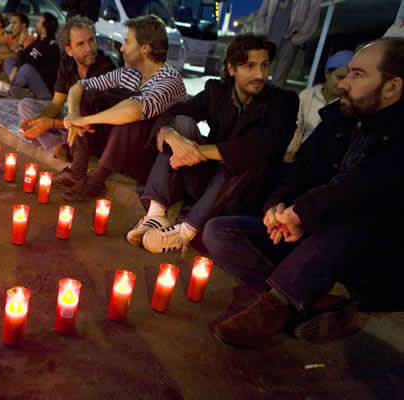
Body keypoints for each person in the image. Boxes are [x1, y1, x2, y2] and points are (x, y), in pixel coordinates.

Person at [203, 38, 404, 347]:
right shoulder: (344, 116)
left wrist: (301, 213)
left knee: (352, 216)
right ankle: (302, 303)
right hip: (310, 226)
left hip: (369, 252)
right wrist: (277, 206)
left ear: (391, 87)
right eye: (347, 73)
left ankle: (276, 306)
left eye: (358, 75)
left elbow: (364, 186)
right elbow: (301, 168)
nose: (343, 84)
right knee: (219, 230)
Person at [126, 34, 298, 254]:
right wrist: (170, 134)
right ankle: (155, 216)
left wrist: (195, 151)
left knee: (240, 160)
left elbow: (257, 148)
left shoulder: (283, 102)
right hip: (207, 184)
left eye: (265, 65)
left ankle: (185, 232)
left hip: (243, 192)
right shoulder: (217, 91)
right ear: (232, 68)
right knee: (181, 124)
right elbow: (175, 112)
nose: (260, 74)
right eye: (250, 66)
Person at [57, 15, 188, 202]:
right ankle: (78, 169)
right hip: (119, 150)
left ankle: (97, 180)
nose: (122, 48)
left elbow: (134, 111)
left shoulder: (169, 81)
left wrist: (84, 121)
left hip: (150, 160)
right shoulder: (129, 72)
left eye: (127, 42)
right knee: (89, 96)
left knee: (130, 114)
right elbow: (79, 87)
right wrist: (74, 114)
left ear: (145, 48)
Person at [17, 16, 116, 159]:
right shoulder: (67, 62)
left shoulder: (106, 67)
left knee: (77, 132)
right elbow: (56, 104)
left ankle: (58, 147)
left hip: (93, 130)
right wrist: (35, 121)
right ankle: (60, 147)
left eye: (91, 40)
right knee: (25, 106)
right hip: (70, 125)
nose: (89, 48)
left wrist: (50, 124)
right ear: (69, 50)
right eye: (81, 44)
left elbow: (93, 121)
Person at [284, 50, 353, 162]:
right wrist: (291, 152)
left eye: (348, 80)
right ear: (327, 73)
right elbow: (297, 127)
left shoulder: (346, 106)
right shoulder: (308, 95)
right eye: (340, 77)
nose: (343, 84)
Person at [255, 0, 321, 87]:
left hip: (288, 44)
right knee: (258, 73)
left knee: (279, 80)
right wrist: (261, 33)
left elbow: (311, 23)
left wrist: (295, 40)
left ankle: (272, 99)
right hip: (267, 41)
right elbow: (261, 15)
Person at [0, 13, 60, 100]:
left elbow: (29, 62)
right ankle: (17, 89)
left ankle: (12, 88)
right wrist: (21, 43)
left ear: (44, 26)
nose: (36, 24)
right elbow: (23, 56)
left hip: (45, 91)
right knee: (9, 60)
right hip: (31, 82)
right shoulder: (39, 41)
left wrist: (16, 69)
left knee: (26, 68)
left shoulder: (49, 44)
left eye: (39, 21)